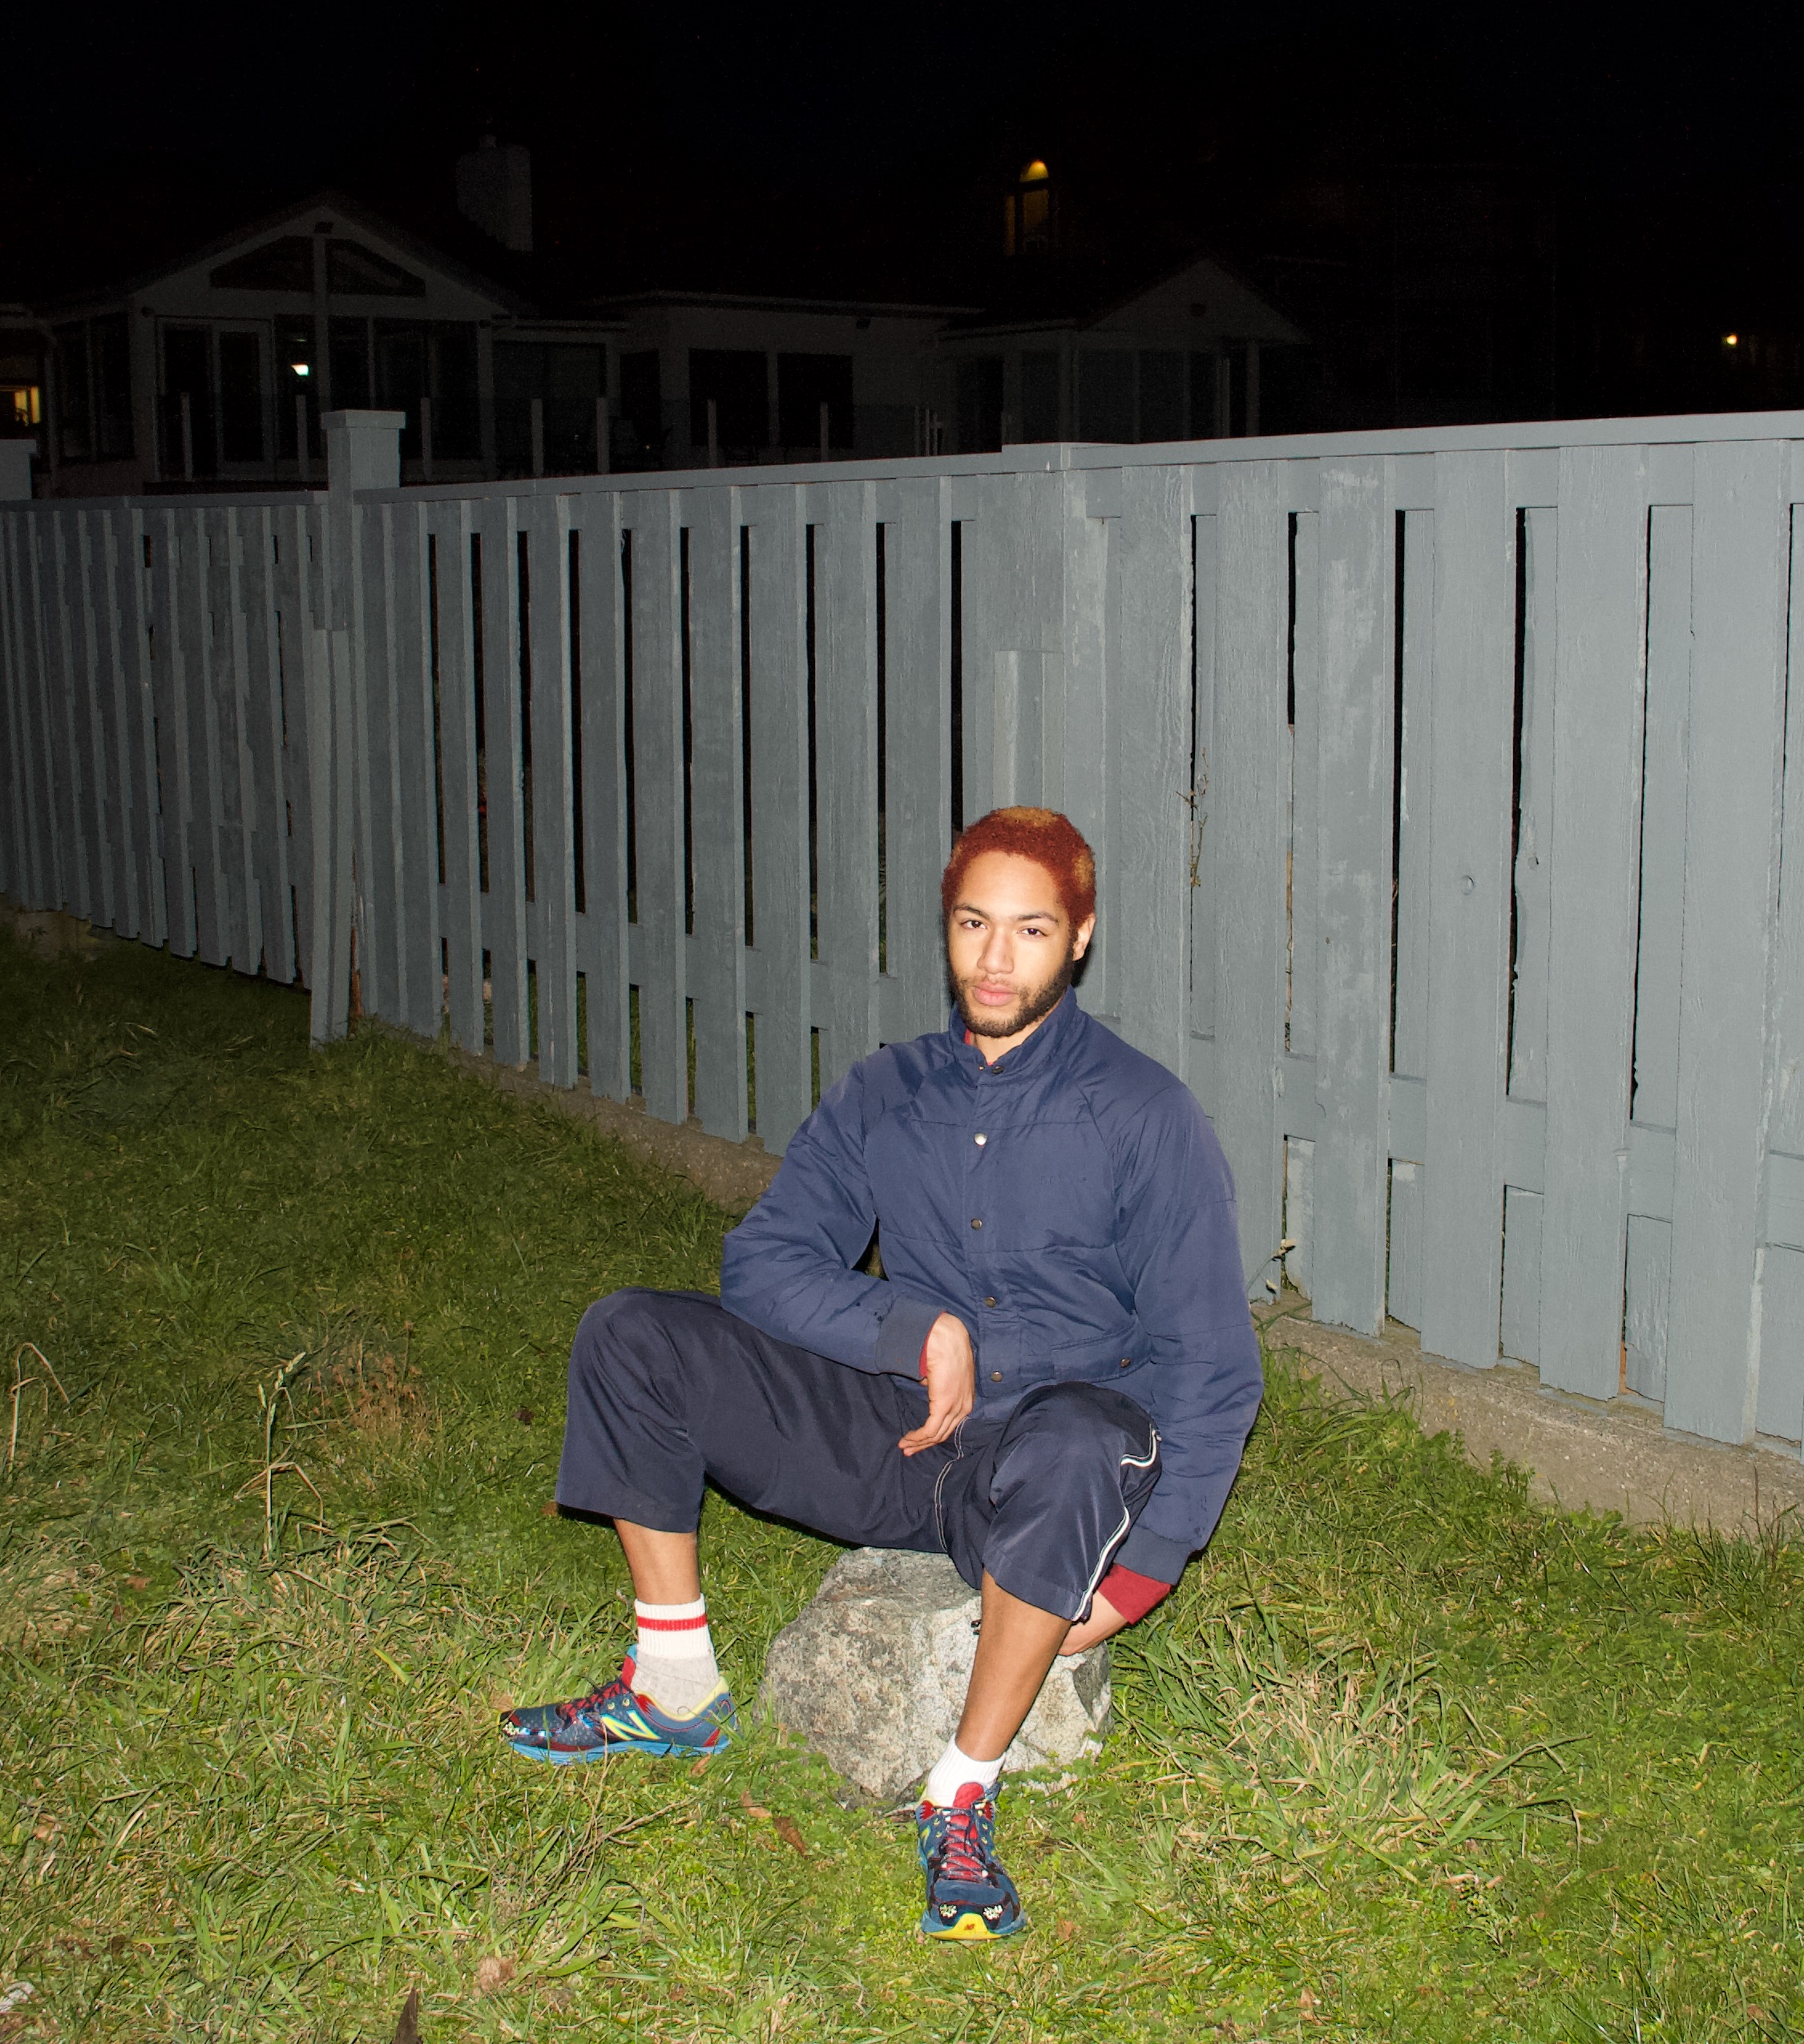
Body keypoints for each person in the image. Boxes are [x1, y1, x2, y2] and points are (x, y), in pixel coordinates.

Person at [500, 805, 1265, 1939]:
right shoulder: (887, 1092)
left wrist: (1143, 1574)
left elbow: (1210, 1365)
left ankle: (960, 1793)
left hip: (1050, 1460)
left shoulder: (1144, 1116)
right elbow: (763, 1260)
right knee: (633, 1333)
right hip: (904, 1436)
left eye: (1031, 931)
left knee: (1084, 1436)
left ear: (1082, 938)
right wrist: (911, 1326)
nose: (995, 960)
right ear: (946, 926)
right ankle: (672, 1689)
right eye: (973, 924)